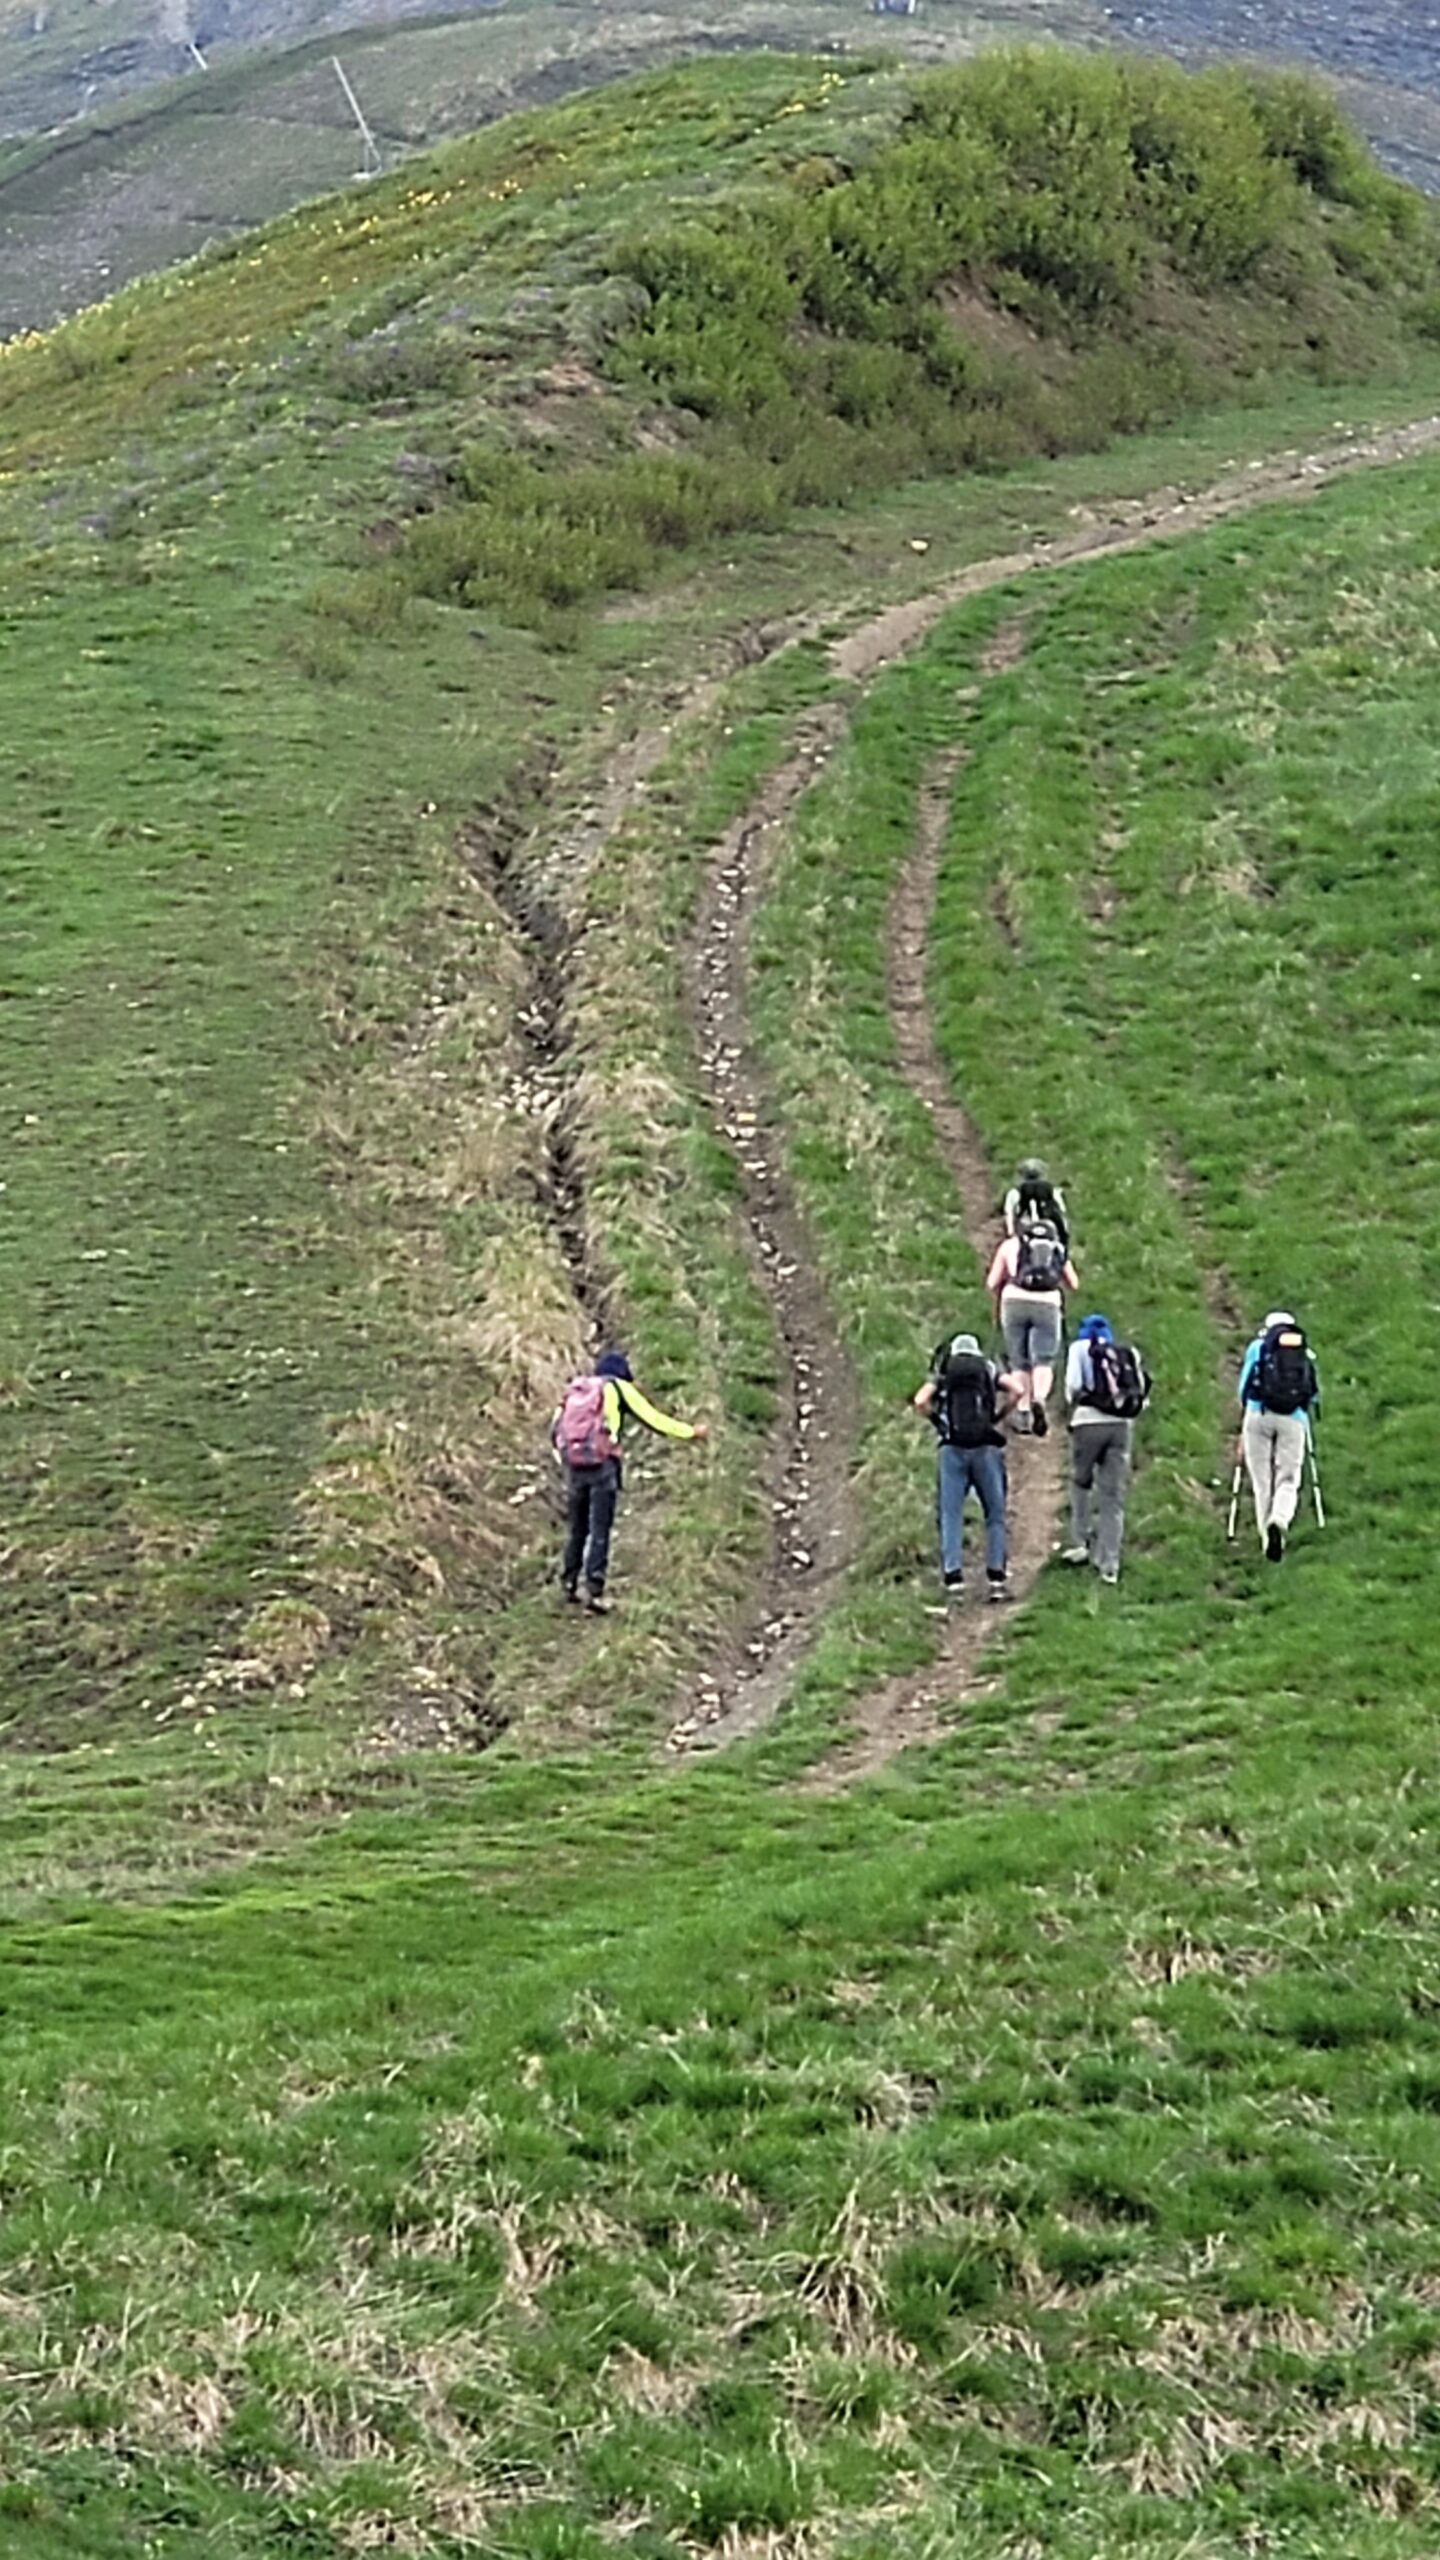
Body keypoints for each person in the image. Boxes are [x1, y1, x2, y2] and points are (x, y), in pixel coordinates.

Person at [552, 1349, 708, 1612]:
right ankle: (594, 1590)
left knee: (578, 1528)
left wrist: (563, 1458)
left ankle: (568, 1583)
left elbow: (555, 1427)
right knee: (600, 1528)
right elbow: (654, 1419)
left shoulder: (577, 1390)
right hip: (602, 1466)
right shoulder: (618, 1388)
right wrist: (690, 1432)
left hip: (576, 1466)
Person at [913, 1331, 1022, 1604]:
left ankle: (954, 1582)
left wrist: (939, 1423)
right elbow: (1018, 1390)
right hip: (986, 1448)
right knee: (994, 1514)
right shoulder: (988, 1368)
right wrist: (998, 1417)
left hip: (951, 1449)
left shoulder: (945, 1373)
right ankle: (996, 1580)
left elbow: (920, 1401)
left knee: (951, 1515)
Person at [1061, 1314, 1150, 1585]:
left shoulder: (1079, 1349)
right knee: (1113, 1497)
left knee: (1081, 1481)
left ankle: (1080, 1541)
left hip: (1088, 1423)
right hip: (1121, 1426)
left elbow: (1073, 1386)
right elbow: (1142, 1388)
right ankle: (1109, 1565)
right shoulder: (1127, 1353)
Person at [984, 1217, 1078, 1436]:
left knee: (1019, 1359)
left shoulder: (1009, 1246)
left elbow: (991, 1282)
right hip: (1048, 1303)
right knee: (1043, 1358)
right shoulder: (1057, 1248)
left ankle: (1023, 1412)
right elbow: (1074, 1283)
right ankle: (1040, 1399)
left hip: (1013, 1301)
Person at [1237, 1311, 1318, 1563]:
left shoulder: (1257, 1348)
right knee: (1288, 1478)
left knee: (1263, 1482)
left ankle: (1267, 1541)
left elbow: (1244, 1386)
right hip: (1293, 1419)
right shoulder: (1304, 1351)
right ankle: (1279, 1521)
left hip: (1257, 1415)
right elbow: (1312, 1392)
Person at [1004, 1158, 1070, 1252]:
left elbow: (1009, 1213)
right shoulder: (1052, 1190)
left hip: (1026, 1226)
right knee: (1059, 1253)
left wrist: (1010, 1232)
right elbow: (1061, 1211)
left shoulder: (1014, 1192)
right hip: (1048, 1226)